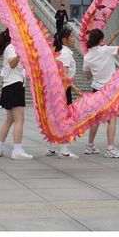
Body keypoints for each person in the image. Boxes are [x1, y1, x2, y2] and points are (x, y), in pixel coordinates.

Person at [83, 26, 119, 158]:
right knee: (111, 119)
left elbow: (87, 75)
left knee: (96, 118)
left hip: (96, 89)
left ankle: (90, 145)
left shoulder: (87, 57)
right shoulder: (107, 50)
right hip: (109, 89)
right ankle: (110, 148)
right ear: (101, 39)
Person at [0, 29, 33, 159]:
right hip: (14, 85)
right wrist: (20, 54)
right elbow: (12, 64)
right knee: (20, 119)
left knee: (9, 120)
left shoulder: (12, 47)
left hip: (10, 85)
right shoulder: (11, 48)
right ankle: (17, 150)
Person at [46, 28, 82, 159]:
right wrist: (73, 88)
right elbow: (64, 75)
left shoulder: (61, 52)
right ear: (64, 40)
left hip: (58, 89)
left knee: (55, 117)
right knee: (65, 117)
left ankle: (51, 146)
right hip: (63, 90)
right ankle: (64, 148)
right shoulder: (65, 54)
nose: (73, 39)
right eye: (71, 36)